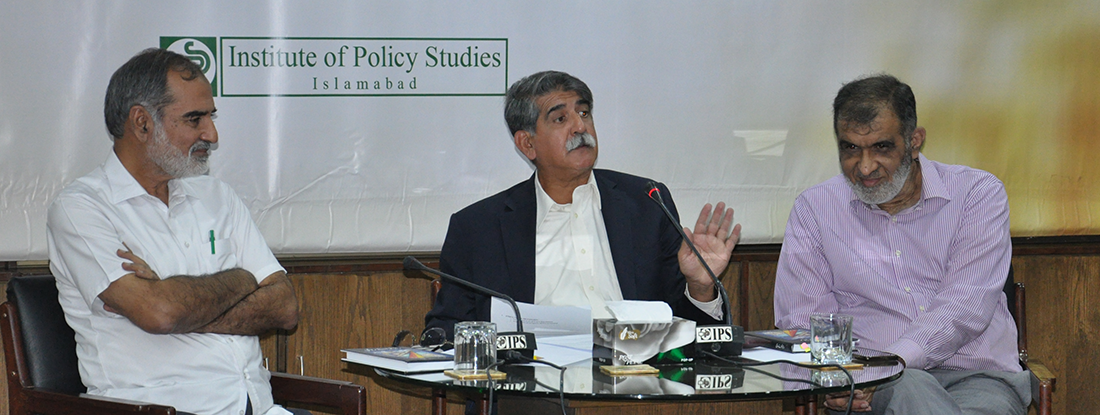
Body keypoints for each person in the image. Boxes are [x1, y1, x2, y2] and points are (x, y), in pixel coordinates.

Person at [47, 48, 300, 415]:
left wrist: (181, 306)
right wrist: (244, 280)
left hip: (260, 407)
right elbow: (160, 313)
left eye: (210, 116)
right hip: (163, 408)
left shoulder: (216, 195)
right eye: (194, 119)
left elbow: (284, 308)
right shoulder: (81, 208)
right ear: (142, 123)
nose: (211, 134)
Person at [773, 74, 1030, 414]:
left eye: (881, 147)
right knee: (908, 385)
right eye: (851, 148)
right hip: (866, 389)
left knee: (911, 384)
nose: (865, 167)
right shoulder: (816, 210)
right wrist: (836, 381)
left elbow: (965, 304)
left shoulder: (976, 194)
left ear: (914, 141)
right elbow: (804, 319)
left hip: (977, 379)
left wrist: (892, 363)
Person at [425, 70, 741, 339]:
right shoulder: (479, 228)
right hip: (532, 381)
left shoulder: (646, 203)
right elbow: (448, 330)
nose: (580, 127)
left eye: (584, 113)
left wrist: (700, 288)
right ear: (527, 143)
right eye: (560, 118)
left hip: (638, 378)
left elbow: (685, 329)